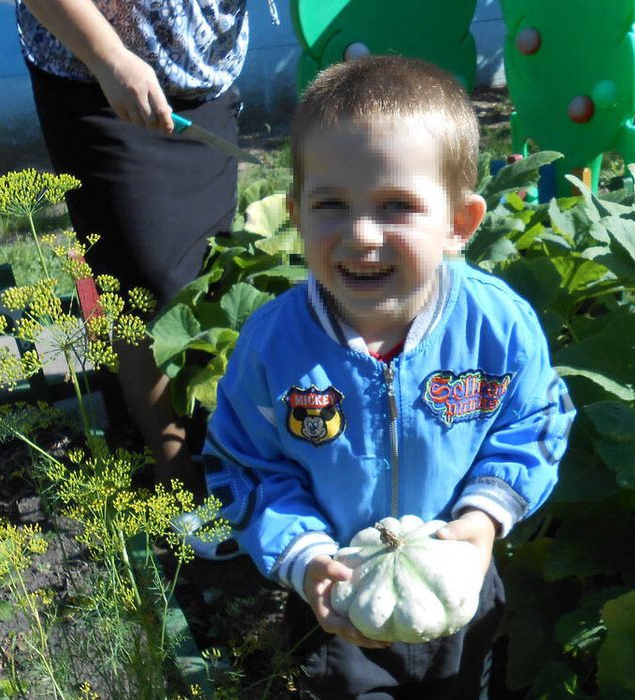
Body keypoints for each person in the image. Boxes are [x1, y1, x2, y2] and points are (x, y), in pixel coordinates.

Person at [202, 56, 576, 697]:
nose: (361, 235)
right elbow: (245, 465)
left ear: (459, 224)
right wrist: (305, 557)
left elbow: (535, 422)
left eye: (397, 206)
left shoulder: (497, 327)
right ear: (296, 212)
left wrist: (482, 520)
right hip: (339, 591)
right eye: (331, 206)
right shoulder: (272, 349)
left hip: (457, 572)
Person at [15, 0, 252, 490]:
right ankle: (176, 475)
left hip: (205, 76)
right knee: (144, 285)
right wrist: (110, 58)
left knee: (203, 280)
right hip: (99, 79)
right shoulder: (103, 65)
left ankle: (220, 448)